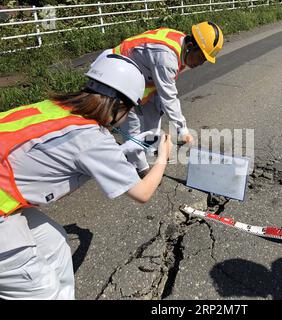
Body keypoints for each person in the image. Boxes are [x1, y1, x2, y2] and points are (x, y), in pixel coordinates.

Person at [0, 53, 173, 299]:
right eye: (129, 110)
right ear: (119, 105)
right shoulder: (92, 139)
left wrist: (121, 150)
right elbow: (142, 193)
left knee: (56, 244)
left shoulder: (57, 107)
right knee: (40, 289)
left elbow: (74, 150)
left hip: (7, 201)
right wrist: (164, 156)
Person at [92, 21, 224, 177]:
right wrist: (184, 130)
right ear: (190, 46)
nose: (201, 63)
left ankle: (150, 145)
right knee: (131, 120)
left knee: (156, 107)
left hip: (135, 74)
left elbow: (163, 91)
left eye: (205, 60)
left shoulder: (180, 44)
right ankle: (138, 166)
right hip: (114, 74)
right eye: (201, 57)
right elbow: (169, 97)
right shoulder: (167, 57)